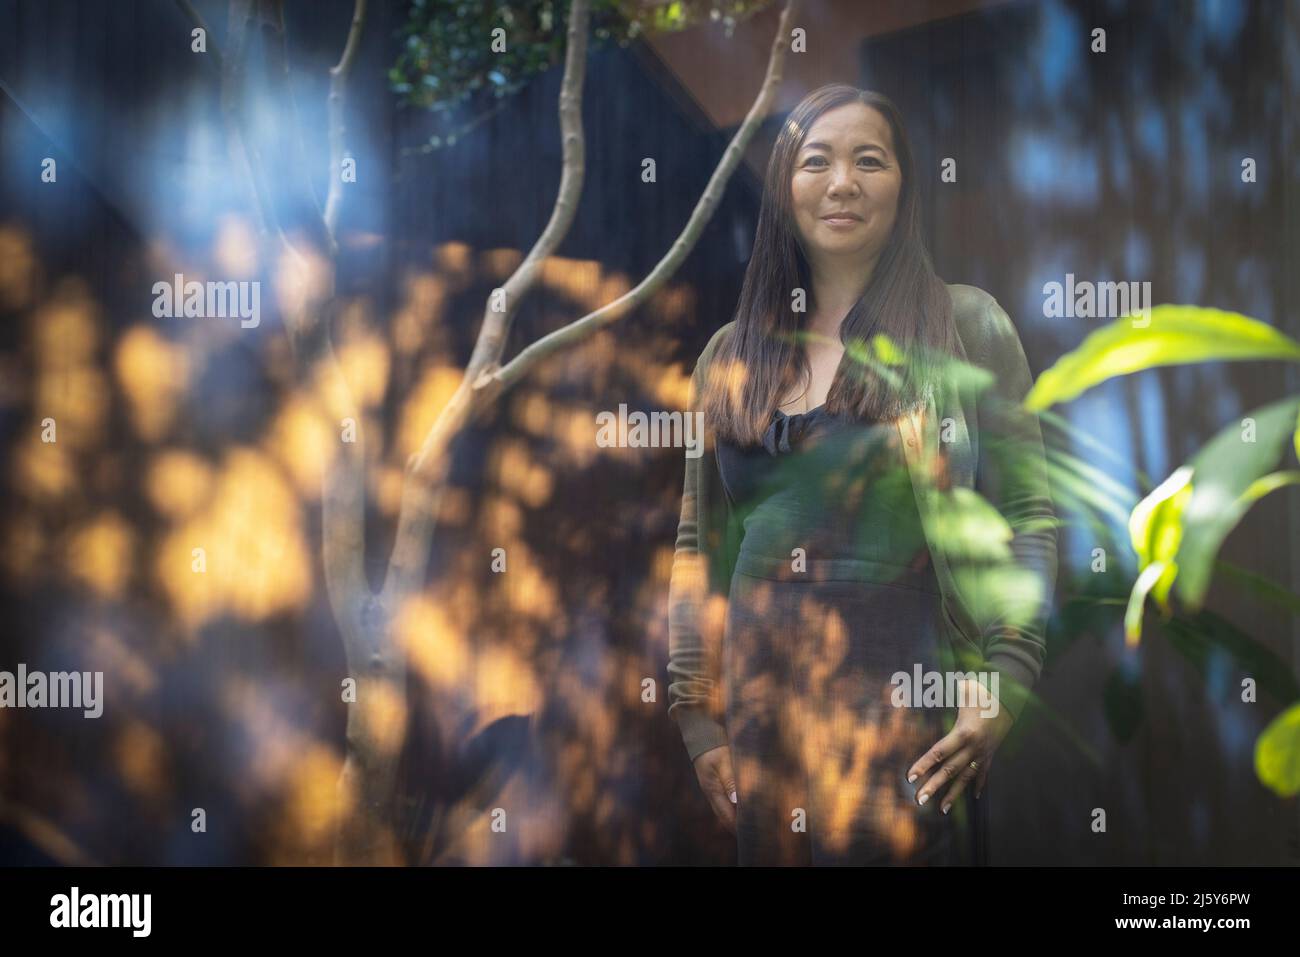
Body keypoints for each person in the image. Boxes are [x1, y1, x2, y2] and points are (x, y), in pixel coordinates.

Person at [666, 84, 1058, 865]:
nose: (842, 182)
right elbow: (694, 547)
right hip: (764, 724)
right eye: (817, 161)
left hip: (913, 722)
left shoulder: (965, 325)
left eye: (868, 161)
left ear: (902, 184)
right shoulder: (727, 356)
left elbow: (1028, 516)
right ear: (785, 186)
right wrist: (696, 715)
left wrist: (1008, 677)